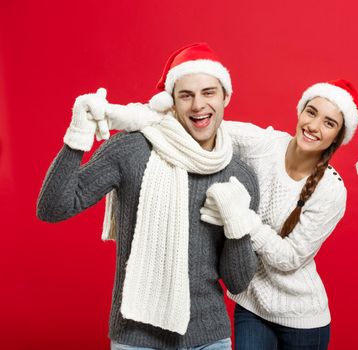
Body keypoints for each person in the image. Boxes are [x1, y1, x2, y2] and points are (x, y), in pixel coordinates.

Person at [108, 78, 358, 350]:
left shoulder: (331, 190)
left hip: (302, 319)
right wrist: (127, 116)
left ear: (338, 136)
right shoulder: (265, 145)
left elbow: (290, 258)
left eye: (329, 123)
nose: (314, 126)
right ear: (300, 112)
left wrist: (243, 219)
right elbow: (203, 123)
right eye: (311, 112)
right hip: (251, 306)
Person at [36, 43, 260, 350]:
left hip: (210, 339)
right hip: (137, 339)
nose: (198, 105)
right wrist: (77, 135)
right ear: (171, 101)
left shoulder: (240, 176)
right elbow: (53, 207)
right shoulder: (132, 151)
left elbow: (238, 282)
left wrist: (237, 227)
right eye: (186, 95)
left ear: (225, 97)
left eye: (208, 92)